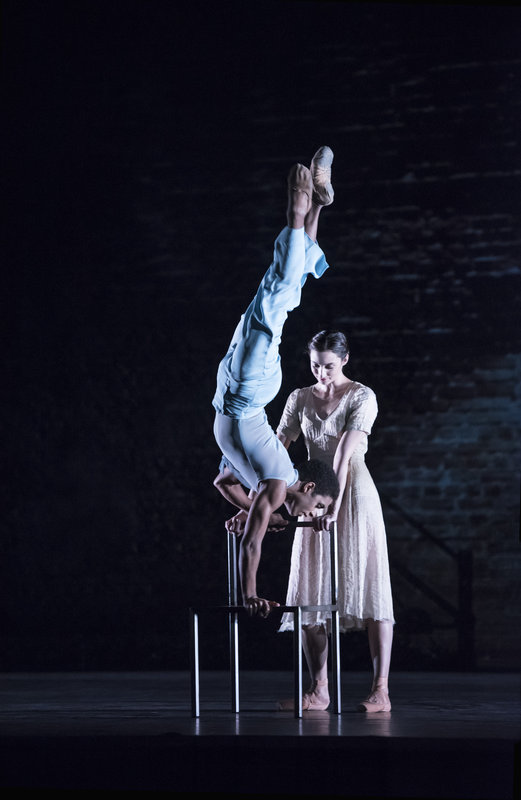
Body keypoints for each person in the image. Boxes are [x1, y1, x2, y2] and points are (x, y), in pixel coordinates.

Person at [213, 148, 340, 618]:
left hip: (231, 392)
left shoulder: (268, 487)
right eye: (314, 505)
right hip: (251, 392)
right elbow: (251, 543)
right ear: (305, 483)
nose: (307, 512)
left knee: (282, 296)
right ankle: (299, 208)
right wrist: (250, 593)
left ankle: (319, 205)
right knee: (277, 300)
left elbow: (223, 479)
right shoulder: (281, 478)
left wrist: (247, 507)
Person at [276, 329, 395, 712]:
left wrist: (336, 507)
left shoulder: (362, 396)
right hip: (311, 493)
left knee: (371, 585)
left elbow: (343, 456)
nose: (321, 374)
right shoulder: (299, 397)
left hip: (353, 492)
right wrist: (256, 501)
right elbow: (278, 450)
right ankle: (319, 687)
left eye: (328, 366)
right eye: (315, 365)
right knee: (310, 588)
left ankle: (381, 689)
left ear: (344, 360)